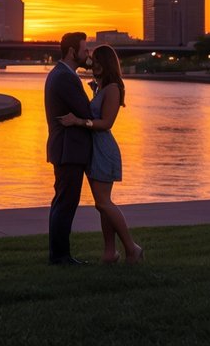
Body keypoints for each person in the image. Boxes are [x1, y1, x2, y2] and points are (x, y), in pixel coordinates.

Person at [59, 44, 144, 264]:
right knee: (102, 202)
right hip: (94, 148)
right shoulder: (102, 86)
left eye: (96, 60)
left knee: (103, 203)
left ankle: (132, 248)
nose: (91, 63)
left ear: (105, 63)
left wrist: (78, 121)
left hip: (103, 149)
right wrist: (95, 90)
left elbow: (106, 123)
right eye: (91, 59)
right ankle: (109, 253)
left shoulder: (113, 88)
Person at [44, 31, 94, 265]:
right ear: (73, 51)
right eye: (85, 50)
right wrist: (98, 92)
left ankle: (59, 254)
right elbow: (86, 111)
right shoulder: (65, 77)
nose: (88, 54)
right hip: (68, 150)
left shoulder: (61, 74)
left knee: (62, 202)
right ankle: (60, 256)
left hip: (66, 149)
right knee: (65, 203)